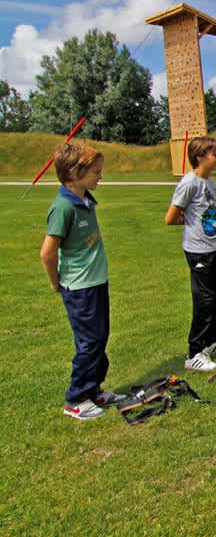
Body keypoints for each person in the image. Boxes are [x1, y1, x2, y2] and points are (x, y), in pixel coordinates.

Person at [40, 143, 124, 419]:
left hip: (97, 282)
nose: (100, 176)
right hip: (79, 288)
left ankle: (94, 390)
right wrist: (56, 283)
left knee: (99, 338)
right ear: (75, 173)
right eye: (95, 172)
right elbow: (48, 252)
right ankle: (76, 399)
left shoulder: (85, 199)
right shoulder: (63, 207)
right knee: (88, 343)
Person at [165, 137, 216, 371]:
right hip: (199, 250)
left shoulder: (210, 183)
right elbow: (171, 217)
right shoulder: (189, 183)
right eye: (215, 154)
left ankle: (211, 340)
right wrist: (191, 222)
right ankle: (194, 352)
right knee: (204, 300)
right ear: (200, 156)